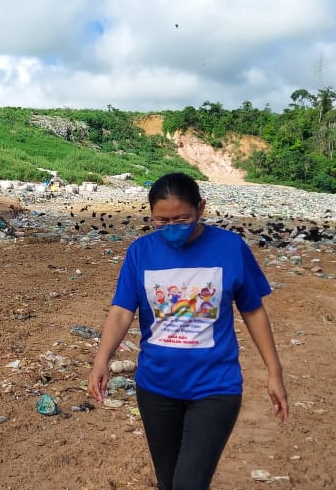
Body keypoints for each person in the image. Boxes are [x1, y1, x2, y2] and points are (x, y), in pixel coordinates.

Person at [88, 172, 288, 490]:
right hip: (156, 388)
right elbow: (122, 311)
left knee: (189, 484)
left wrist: (273, 371)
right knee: (168, 483)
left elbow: (253, 311)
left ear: (201, 208)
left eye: (182, 218)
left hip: (215, 388)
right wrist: (102, 359)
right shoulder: (140, 253)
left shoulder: (231, 249)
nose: (172, 227)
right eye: (161, 221)